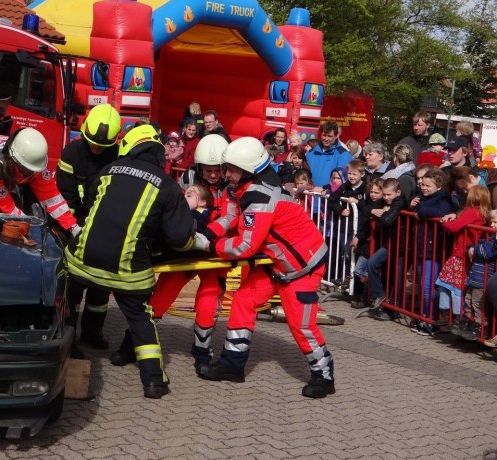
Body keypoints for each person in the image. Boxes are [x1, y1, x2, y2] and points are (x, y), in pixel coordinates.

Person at [194, 137, 335, 399]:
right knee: (243, 300)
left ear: (248, 169)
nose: (227, 174)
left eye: (232, 169)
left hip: (302, 268)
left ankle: (324, 376)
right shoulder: (248, 186)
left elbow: (245, 246)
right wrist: (206, 232)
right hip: (277, 264)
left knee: (301, 325)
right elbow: (231, 217)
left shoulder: (258, 196)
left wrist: (208, 246)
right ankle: (232, 365)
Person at [65, 124, 195, 399]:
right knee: (139, 318)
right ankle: (154, 381)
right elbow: (179, 239)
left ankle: (67, 352)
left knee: (67, 305)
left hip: (81, 262)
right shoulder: (168, 187)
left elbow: (90, 208)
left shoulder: (108, 170)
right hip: (127, 273)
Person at [111, 134, 235, 371]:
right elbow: (170, 209)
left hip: (214, 252)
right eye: (207, 170)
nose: (211, 175)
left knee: (210, 300)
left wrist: (211, 237)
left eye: (216, 170)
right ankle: (132, 345)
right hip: (185, 249)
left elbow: (233, 217)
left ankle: (202, 351)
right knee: (159, 297)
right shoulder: (186, 178)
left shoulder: (232, 187)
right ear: (199, 166)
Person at [56, 104, 121, 351]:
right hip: (75, 226)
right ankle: (69, 333)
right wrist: (74, 230)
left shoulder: (117, 156)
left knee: (101, 288)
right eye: (93, 143)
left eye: (102, 146)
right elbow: (65, 198)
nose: (96, 148)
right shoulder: (71, 154)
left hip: (104, 229)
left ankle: (93, 332)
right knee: (73, 286)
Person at [437, 185, 492, 336]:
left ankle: (453, 317)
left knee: (451, 286)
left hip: (460, 253)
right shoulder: (483, 213)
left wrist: (444, 222)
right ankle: (454, 317)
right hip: (466, 253)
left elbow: (455, 227)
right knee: (452, 285)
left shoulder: (471, 212)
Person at [409, 168, 454, 335]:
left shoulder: (443, 198)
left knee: (429, 286)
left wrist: (420, 209)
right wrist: (414, 205)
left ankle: (431, 318)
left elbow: (439, 211)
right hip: (422, 247)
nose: (424, 188)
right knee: (423, 285)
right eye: (423, 185)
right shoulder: (422, 197)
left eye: (428, 185)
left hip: (433, 249)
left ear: (439, 187)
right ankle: (425, 315)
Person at [365, 178, 409, 320]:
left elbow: (387, 220)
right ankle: (380, 296)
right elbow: (366, 208)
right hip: (390, 244)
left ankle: (395, 310)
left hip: (402, 245)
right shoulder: (386, 202)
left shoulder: (399, 202)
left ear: (398, 192)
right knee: (373, 263)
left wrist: (383, 213)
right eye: (384, 195)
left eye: (389, 195)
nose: (386, 198)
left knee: (398, 278)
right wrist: (374, 210)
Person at [461, 209, 497, 341]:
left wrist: (474, 249)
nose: (492, 225)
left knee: (477, 303)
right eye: (492, 222)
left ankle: (480, 326)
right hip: (474, 276)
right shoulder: (490, 237)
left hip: (482, 279)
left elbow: (487, 252)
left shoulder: (494, 241)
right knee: (468, 300)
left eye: (495, 223)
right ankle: (466, 323)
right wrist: (471, 247)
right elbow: (479, 246)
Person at [351, 179, 385, 308]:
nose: (373, 194)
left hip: (373, 242)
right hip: (365, 241)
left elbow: (367, 210)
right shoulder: (369, 203)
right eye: (371, 191)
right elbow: (366, 210)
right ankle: (366, 297)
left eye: (376, 192)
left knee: (361, 270)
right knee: (360, 270)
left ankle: (369, 296)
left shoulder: (380, 204)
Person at [306, 121, 353, 187]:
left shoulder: (343, 155)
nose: (326, 139)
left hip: (329, 196)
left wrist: (327, 191)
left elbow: (343, 181)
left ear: (336, 136)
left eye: (330, 136)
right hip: (310, 195)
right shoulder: (311, 153)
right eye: (324, 135)